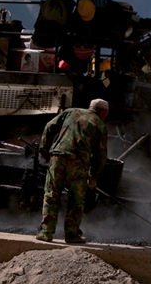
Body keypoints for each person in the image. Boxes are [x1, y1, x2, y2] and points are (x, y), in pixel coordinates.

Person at [36, 98, 109, 243]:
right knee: (76, 199)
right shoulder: (99, 124)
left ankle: (46, 232)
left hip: (57, 159)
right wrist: (94, 177)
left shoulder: (70, 112)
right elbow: (101, 156)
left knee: (51, 194)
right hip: (78, 163)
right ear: (102, 111)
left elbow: (49, 126)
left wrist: (44, 150)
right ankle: (71, 234)